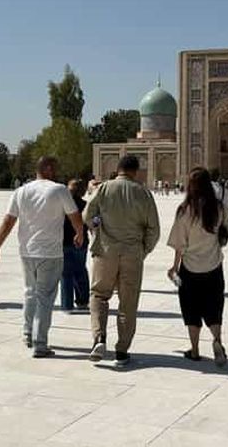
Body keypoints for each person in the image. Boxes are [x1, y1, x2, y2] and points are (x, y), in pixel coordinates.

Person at [0, 157, 84, 358]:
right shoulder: (59, 190)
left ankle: (27, 334)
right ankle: (40, 343)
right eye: (55, 168)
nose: (57, 172)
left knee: (30, 293)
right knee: (45, 297)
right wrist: (80, 233)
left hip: (27, 251)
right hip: (50, 253)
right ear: (48, 168)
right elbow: (74, 214)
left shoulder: (21, 191)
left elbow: (8, 221)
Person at [84, 155, 160, 367]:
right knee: (128, 302)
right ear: (135, 171)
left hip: (106, 251)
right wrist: (143, 250)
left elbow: (88, 216)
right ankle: (122, 351)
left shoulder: (104, 189)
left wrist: (98, 227)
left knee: (99, 295)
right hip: (132, 253)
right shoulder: (143, 193)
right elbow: (153, 229)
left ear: (118, 169)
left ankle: (99, 338)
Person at [167, 167, 228, 366]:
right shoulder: (218, 208)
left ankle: (195, 350)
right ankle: (217, 340)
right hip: (213, 265)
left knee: (191, 309)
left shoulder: (185, 210)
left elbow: (179, 244)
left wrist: (174, 267)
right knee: (214, 306)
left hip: (190, 268)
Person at [60, 179, 90, 311]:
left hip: (64, 242)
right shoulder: (86, 205)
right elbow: (96, 220)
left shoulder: (62, 206)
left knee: (66, 274)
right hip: (81, 242)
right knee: (81, 270)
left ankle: (67, 304)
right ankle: (83, 301)